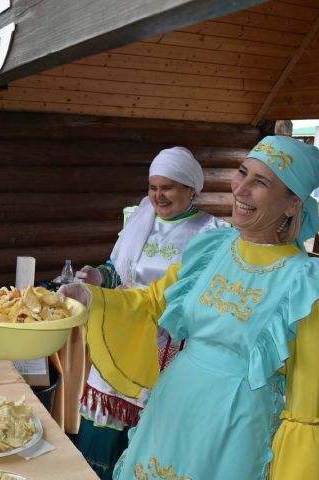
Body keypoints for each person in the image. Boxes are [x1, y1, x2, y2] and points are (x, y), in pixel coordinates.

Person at [61, 135, 319, 479]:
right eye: (242, 173)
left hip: (234, 427)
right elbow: (154, 301)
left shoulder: (308, 283)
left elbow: (307, 410)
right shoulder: (212, 247)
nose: (241, 190)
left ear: (293, 203)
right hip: (173, 405)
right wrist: (90, 296)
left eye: (260, 182)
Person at [72, 147, 227, 479]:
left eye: (168, 187)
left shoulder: (211, 232)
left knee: (154, 426)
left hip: (169, 343)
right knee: (107, 412)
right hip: (123, 328)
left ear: (190, 188)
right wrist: (99, 276)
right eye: (153, 187)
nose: (159, 195)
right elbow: (118, 269)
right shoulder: (137, 218)